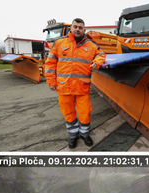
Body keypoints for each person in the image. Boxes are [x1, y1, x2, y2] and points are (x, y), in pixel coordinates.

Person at [44, 18, 106, 148]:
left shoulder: (91, 45)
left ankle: (84, 134)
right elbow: (50, 63)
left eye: (80, 27)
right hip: (63, 87)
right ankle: (73, 136)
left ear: (84, 29)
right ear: (71, 28)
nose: (77, 29)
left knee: (85, 113)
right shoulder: (59, 43)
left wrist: (98, 61)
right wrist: (51, 81)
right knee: (68, 113)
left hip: (82, 88)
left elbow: (101, 54)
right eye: (75, 26)